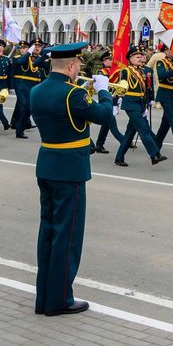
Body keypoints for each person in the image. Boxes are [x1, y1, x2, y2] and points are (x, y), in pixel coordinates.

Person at [31, 40, 117, 315]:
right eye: (78, 64)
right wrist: (104, 92)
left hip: (47, 164)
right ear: (70, 66)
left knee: (48, 232)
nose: (79, 67)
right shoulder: (73, 94)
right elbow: (104, 116)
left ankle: (44, 296)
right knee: (67, 236)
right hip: (69, 169)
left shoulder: (36, 90)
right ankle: (60, 299)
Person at [110, 47, 162, 166]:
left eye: (141, 56)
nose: (140, 59)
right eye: (137, 57)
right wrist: (115, 104)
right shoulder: (126, 71)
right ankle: (154, 155)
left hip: (140, 104)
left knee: (129, 134)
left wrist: (149, 101)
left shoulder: (142, 71)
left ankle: (119, 158)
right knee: (144, 129)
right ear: (130, 59)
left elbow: (147, 88)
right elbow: (119, 88)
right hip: (130, 103)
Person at [10, 41, 44, 138]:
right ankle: (42, 131)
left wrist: (46, 56)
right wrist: (29, 52)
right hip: (24, 86)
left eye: (39, 46)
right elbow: (20, 62)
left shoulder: (40, 58)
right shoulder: (26, 57)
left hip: (36, 86)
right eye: (35, 46)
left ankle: (19, 130)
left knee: (28, 110)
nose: (37, 48)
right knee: (27, 107)